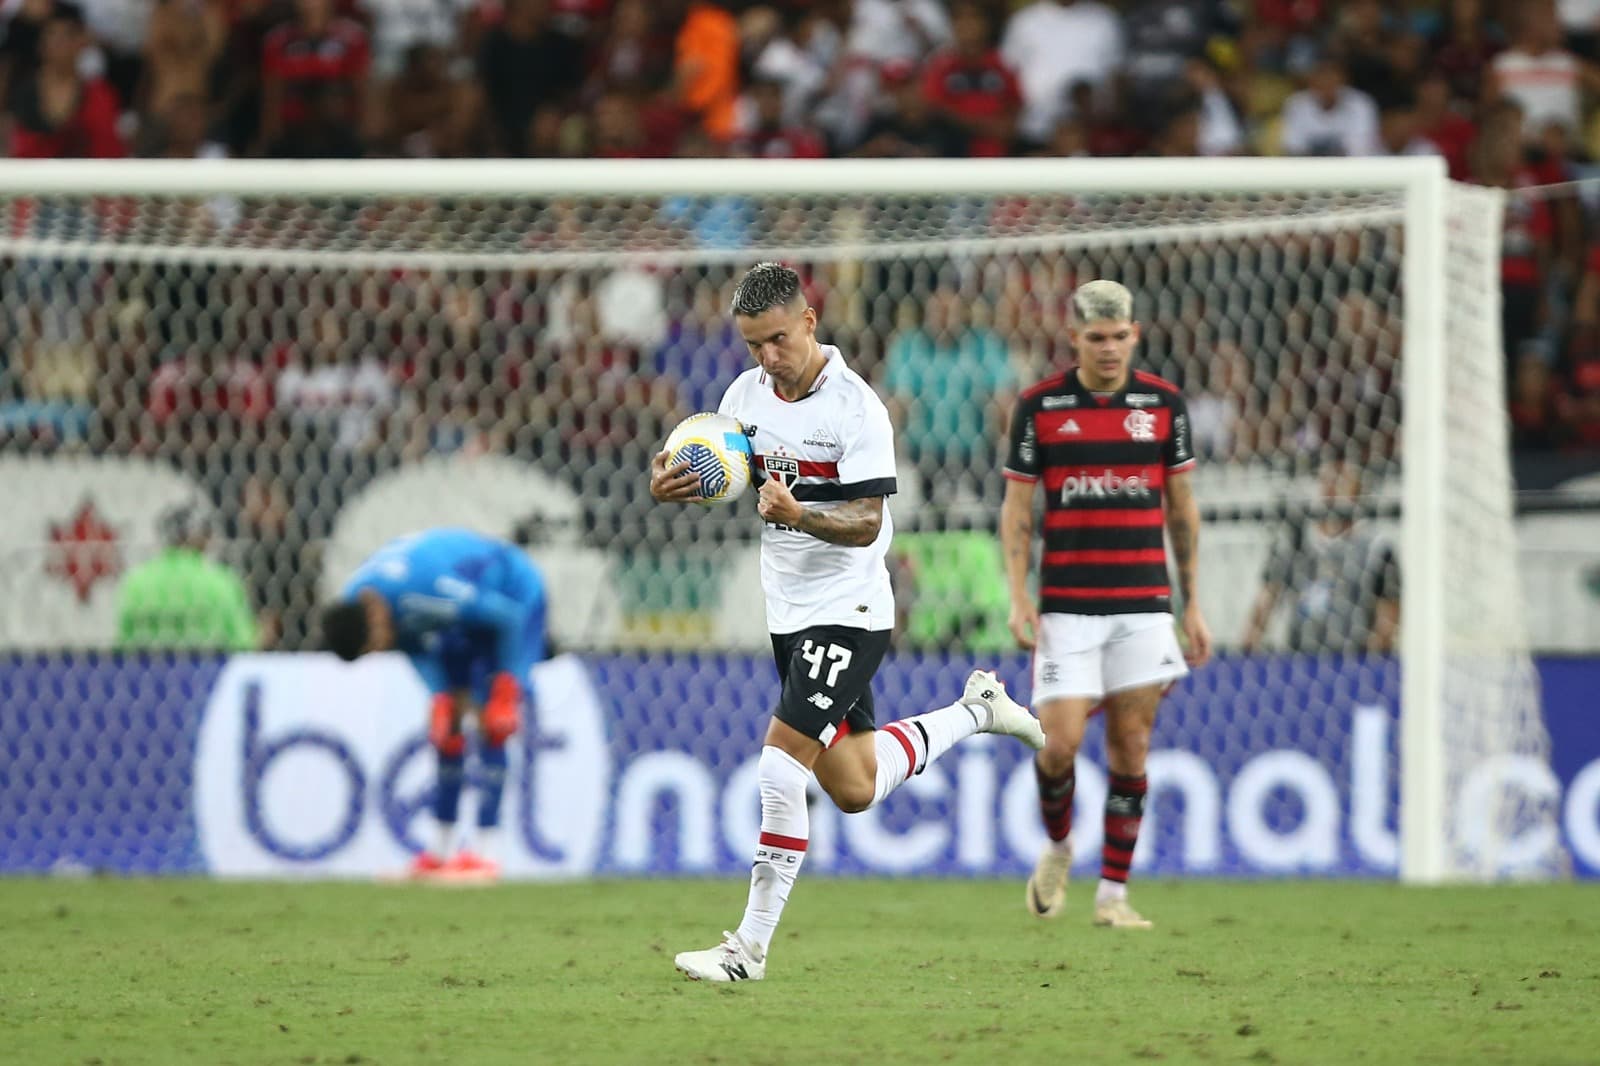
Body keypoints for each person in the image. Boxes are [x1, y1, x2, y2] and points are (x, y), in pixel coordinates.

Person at [651, 262, 1044, 983]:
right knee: (856, 787)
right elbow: (715, 465)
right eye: (752, 346)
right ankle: (977, 711)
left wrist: (799, 514)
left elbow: (867, 522)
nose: (767, 358)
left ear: (809, 321)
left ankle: (747, 951)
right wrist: (673, 479)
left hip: (852, 611)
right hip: (788, 613)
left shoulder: (857, 409)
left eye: (776, 340)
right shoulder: (744, 396)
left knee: (778, 766)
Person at [1000, 279, 1211, 930]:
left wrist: (1193, 603)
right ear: (1075, 339)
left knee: (1131, 747)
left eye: (1120, 337)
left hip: (1144, 604)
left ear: (1135, 335)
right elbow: (1017, 512)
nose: (1110, 349)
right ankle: (1061, 846)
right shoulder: (1039, 408)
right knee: (1058, 746)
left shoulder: (1164, 405)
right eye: (1097, 338)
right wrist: (1018, 596)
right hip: (1067, 605)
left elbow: (1181, 509)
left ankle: (1113, 895)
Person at [319, 528, 547, 882]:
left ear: (376, 618)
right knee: (448, 729)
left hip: (512, 593)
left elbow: (507, 619)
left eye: (375, 646)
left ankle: (487, 854)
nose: (380, 651)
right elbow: (412, 644)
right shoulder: (357, 602)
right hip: (453, 624)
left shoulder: (423, 589)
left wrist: (506, 688)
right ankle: (440, 853)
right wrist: (440, 694)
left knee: (493, 723)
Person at [1241, 458, 1400, 655]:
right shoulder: (1294, 543)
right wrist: (1248, 650)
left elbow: (1388, 621)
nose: (1332, 487)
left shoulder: (1377, 550)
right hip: (1300, 660)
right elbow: (1264, 604)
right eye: (1327, 478)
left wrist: (1368, 663)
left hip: (1353, 660)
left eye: (1342, 479)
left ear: (1359, 487)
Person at [117, 501, 258, 652]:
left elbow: (124, 642)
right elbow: (243, 642)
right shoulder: (220, 581)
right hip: (209, 670)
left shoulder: (136, 582)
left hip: (148, 670)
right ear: (201, 537)